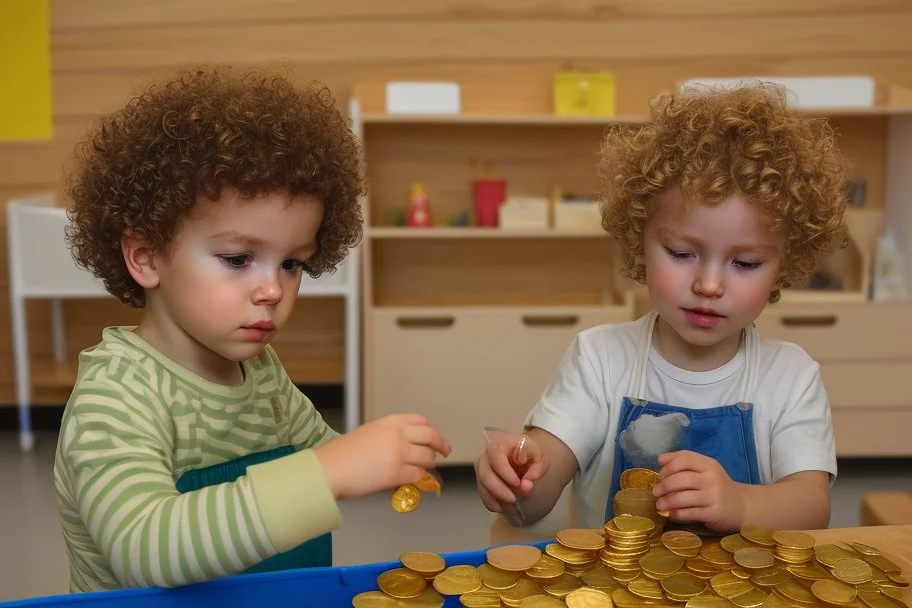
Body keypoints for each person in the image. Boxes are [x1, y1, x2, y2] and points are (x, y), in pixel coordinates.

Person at [53, 69, 451, 592]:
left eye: (292, 264)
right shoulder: (117, 396)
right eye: (239, 258)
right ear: (146, 257)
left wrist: (392, 459)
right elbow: (144, 549)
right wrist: (330, 472)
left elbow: (325, 449)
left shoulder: (260, 373)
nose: (273, 290)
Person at [476, 83, 848, 534]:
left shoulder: (791, 377)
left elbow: (812, 506)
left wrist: (739, 503)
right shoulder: (599, 359)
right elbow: (536, 493)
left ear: (785, 263)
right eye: (681, 253)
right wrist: (519, 474)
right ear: (639, 238)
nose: (708, 284)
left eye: (745, 263)